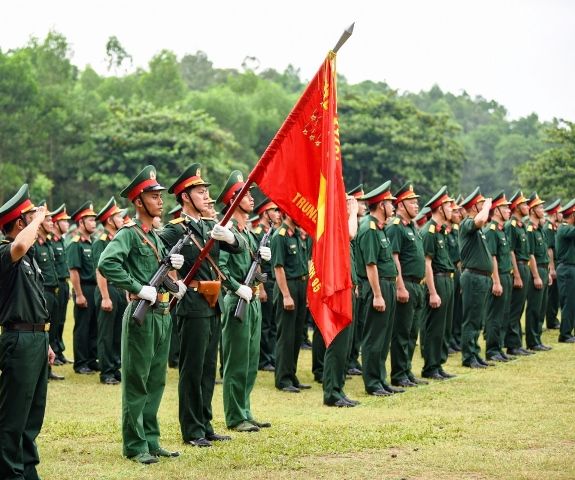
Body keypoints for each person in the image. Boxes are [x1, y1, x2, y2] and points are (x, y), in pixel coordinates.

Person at [98, 165, 185, 464]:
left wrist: (176, 284)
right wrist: (137, 287)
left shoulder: (157, 236)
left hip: (162, 312)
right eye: (153, 195)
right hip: (141, 313)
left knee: (156, 381)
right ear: (138, 201)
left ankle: (151, 439)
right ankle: (135, 446)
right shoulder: (130, 234)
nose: (160, 200)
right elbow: (107, 264)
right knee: (137, 381)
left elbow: (160, 272)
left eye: (161, 195)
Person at [160, 164, 241, 447]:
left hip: (212, 302)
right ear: (185, 197)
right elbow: (157, 258)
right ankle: (192, 429)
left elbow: (237, 247)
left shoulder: (210, 226)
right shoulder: (174, 230)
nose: (208, 197)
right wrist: (173, 281)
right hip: (191, 303)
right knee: (192, 369)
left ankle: (205, 423)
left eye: (207, 192)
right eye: (201, 192)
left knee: (208, 368)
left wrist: (230, 236)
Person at [0, 184, 55, 480]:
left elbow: (34, 301)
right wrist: (35, 219)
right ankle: (10, 473)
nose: (41, 222)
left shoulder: (31, 257)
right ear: (21, 223)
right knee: (13, 415)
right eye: (32, 217)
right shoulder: (6, 252)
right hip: (18, 340)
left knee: (33, 412)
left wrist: (45, 339)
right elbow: (18, 246)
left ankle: (28, 470)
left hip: (35, 338)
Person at [216, 170, 272, 431]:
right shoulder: (226, 232)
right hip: (237, 299)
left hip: (253, 301)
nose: (251, 198)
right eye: (245, 194)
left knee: (250, 360)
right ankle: (235, 416)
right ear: (232, 200)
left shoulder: (247, 233)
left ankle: (246, 410)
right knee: (236, 360)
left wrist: (263, 266)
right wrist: (237, 288)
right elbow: (220, 268)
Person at [355, 181, 401, 396]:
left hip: (387, 285)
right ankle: (372, 382)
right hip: (377, 287)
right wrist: (378, 295)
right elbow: (370, 265)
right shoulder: (370, 228)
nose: (393, 206)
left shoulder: (380, 228)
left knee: (384, 336)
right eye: (390, 203)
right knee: (374, 337)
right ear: (381, 205)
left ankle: (380, 379)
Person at [322, 194, 360, 407]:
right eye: (347, 202)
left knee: (345, 346)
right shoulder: (334, 227)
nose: (352, 206)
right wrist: (352, 212)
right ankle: (331, 393)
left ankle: (338, 389)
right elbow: (351, 234)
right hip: (336, 293)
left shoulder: (340, 227)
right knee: (337, 345)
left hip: (347, 290)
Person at [387, 182, 426, 387]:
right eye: (412, 202)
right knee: (402, 332)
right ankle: (398, 374)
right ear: (401, 205)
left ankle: (407, 370)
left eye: (417, 202)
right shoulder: (396, 227)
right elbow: (395, 258)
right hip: (406, 284)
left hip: (418, 285)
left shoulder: (413, 226)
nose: (417, 205)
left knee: (412, 332)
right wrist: (400, 286)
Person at [420, 186, 457, 379]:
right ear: (440, 209)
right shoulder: (430, 231)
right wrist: (433, 292)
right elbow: (427, 263)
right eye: (449, 206)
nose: (452, 209)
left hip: (447, 280)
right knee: (434, 326)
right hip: (437, 281)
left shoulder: (442, 231)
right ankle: (430, 366)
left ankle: (439, 363)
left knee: (444, 326)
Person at [271, 212, 310, 393]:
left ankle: (291, 375)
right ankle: (283, 378)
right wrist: (286, 295)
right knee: (286, 335)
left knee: (296, 335)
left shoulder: (298, 235)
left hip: (301, 286)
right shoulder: (280, 236)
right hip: (288, 287)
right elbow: (278, 267)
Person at [458, 187, 493, 368]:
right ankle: (468, 357)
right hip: (473, 277)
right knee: (471, 319)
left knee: (478, 319)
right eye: (480, 204)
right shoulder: (467, 223)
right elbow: (480, 220)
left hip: (481, 278)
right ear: (474, 207)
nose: (486, 207)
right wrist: (486, 206)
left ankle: (474, 353)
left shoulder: (476, 229)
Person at [93, 197, 126, 385]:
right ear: (109, 221)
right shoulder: (101, 242)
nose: (121, 219)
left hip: (119, 290)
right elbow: (100, 271)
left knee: (117, 333)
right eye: (118, 217)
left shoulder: (118, 240)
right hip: (108, 290)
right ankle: (106, 371)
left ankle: (115, 367)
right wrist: (105, 297)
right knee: (106, 333)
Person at [67, 201, 99, 374]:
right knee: (82, 327)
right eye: (90, 220)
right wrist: (78, 294)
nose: (94, 223)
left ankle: (92, 359)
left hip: (95, 289)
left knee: (94, 326)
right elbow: (73, 271)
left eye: (94, 220)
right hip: (83, 288)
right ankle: (80, 362)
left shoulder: (92, 242)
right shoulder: (75, 243)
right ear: (81, 222)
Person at [484, 192, 514, 362]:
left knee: (504, 313)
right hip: (499, 276)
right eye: (505, 208)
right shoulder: (492, 231)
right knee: (495, 314)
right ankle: (492, 349)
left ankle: (499, 347)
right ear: (496, 211)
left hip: (506, 274)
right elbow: (492, 257)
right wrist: (496, 281)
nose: (509, 210)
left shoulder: (502, 230)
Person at [252, 197, 281, 372]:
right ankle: (264, 359)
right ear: (265, 213)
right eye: (274, 210)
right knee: (266, 323)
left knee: (273, 322)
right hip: (266, 280)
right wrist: (261, 287)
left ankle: (272, 356)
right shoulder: (258, 234)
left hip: (275, 281)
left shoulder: (272, 232)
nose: (278, 214)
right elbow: (257, 263)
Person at [504, 191, 534, 356]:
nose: (527, 207)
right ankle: (512, 345)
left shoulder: (521, 226)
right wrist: (516, 274)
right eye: (524, 204)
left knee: (519, 307)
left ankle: (517, 343)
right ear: (516, 207)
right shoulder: (511, 226)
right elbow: (511, 251)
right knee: (514, 308)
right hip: (518, 267)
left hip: (524, 266)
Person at [524, 192, 553, 351]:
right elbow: (531, 254)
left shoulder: (539, 229)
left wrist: (547, 272)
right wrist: (535, 276)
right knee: (534, 307)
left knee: (542, 307)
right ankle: (532, 341)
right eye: (540, 207)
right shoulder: (530, 229)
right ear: (533, 210)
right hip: (536, 270)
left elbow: (544, 254)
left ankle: (537, 339)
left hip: (543, 269)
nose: (543, 209)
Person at [345, 184, 366, 376]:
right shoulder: (346, 228)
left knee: (356, 327)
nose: (363, 205)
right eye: (358, 202)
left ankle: (351, 359)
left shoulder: (360, 225)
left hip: (354, 282)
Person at [50, 204, 72, 365]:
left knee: (62, 320)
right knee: (53, 320)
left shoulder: (62, 242)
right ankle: (53, 351)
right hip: (54, 285)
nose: (67, 224)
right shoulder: (50, 242)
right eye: (64, 222)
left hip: (64, 284)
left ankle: (59, 351)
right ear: (56, 223)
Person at [556, 199, 575, 343]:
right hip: (567, 269)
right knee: (568, 302)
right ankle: (565, 334)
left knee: (572, 301)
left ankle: (568, 331)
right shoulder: (563, 228)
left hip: (570, 268)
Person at [543, 199, 561, 330]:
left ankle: (553, 318)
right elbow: (549, 249)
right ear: (554, 214)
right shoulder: (548, 228)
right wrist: (552, 268)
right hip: (552, 265)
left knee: (556, 295)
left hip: (557, 263)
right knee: (552, 295)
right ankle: (551, 320)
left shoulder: (555, 227)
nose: (562, 215)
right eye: (560, 212)